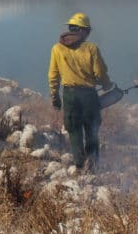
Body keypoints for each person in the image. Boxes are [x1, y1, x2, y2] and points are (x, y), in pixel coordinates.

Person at [48, 12, 113, 172]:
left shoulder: (57, 48)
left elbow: (53, 75)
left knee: (73, 129)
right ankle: (92, 165)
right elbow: (100, 72)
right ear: (82, 30)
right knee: (92, 129)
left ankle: (79, 164)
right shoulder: (91, 48)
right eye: (88, 30)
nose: (88, 33)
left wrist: (55, 95)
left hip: (69, 95)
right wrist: (106, 85)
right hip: (89, 95)